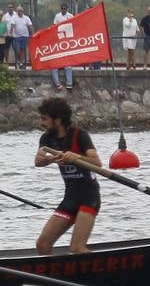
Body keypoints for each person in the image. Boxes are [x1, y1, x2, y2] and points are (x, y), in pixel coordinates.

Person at [34, 96, 101, 255]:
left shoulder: (79, 135)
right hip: (70, 197)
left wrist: (76, 158)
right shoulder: (46, 138)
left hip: (89, 197)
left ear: (57, 120)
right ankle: (49, 279)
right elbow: (38, 161)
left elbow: (97, 163)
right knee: (42, 245)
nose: (41, 123)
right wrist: (52, 159)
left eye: (44, 119)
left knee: (77, 248)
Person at [49, 4, 75, 89]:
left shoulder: (70, 16)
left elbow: (74, 25)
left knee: (68, 67)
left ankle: (69, 84)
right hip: (60, 37)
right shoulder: (57, 16)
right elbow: (54, 26)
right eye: (62, 8)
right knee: (54, 67)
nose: (63, 10)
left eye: (65, 8)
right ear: (61, 9)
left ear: (67, 9)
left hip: (67, 38)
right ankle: (58, 84)